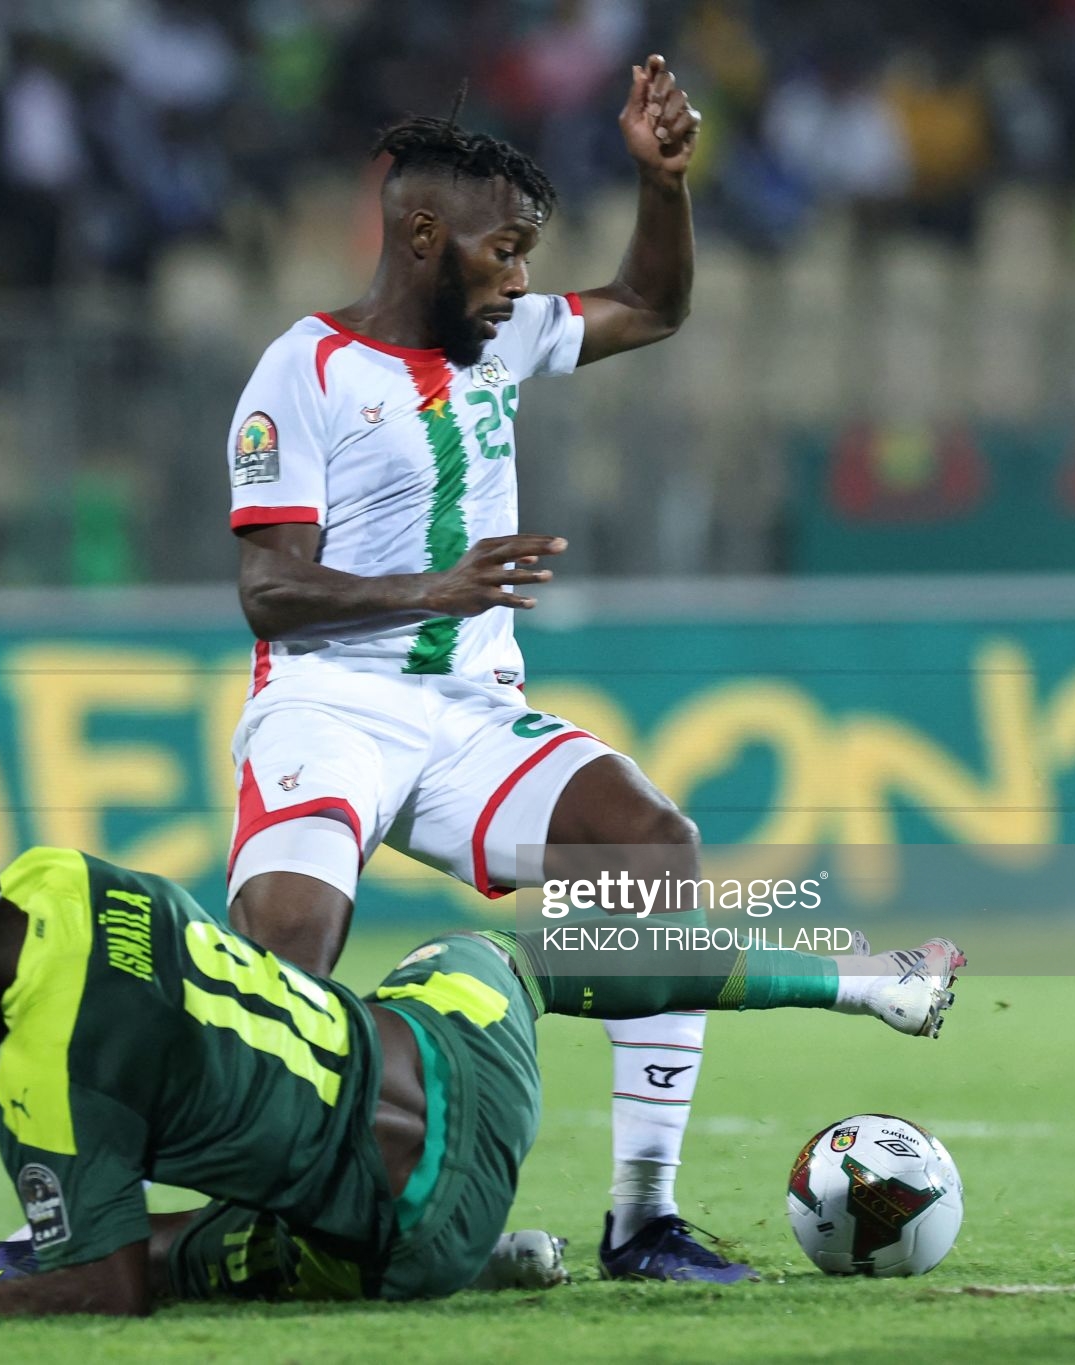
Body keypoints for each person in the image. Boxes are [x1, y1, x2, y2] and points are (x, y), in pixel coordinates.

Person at [0, 815, 965, 1321]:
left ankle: (480, 1247)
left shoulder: (49, 1095)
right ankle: (873, 982)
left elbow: (102, 1283)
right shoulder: (67, 874)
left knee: (112, 1254)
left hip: (402, 1249)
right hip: (461, 1067)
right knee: (513, 949)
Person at [221, 54, 744, 1279]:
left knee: (650, 848)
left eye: (523, 255)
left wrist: (660, 182)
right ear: (419, 237)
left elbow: (651, 306)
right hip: (325, 701)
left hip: (463, 716)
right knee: (286, 958)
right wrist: (430, 590)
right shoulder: (299, 373)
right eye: (500, 251)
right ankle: (254, 1212)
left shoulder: (496, 342)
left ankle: (643, 1216)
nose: (519, 279)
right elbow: (266, 592)